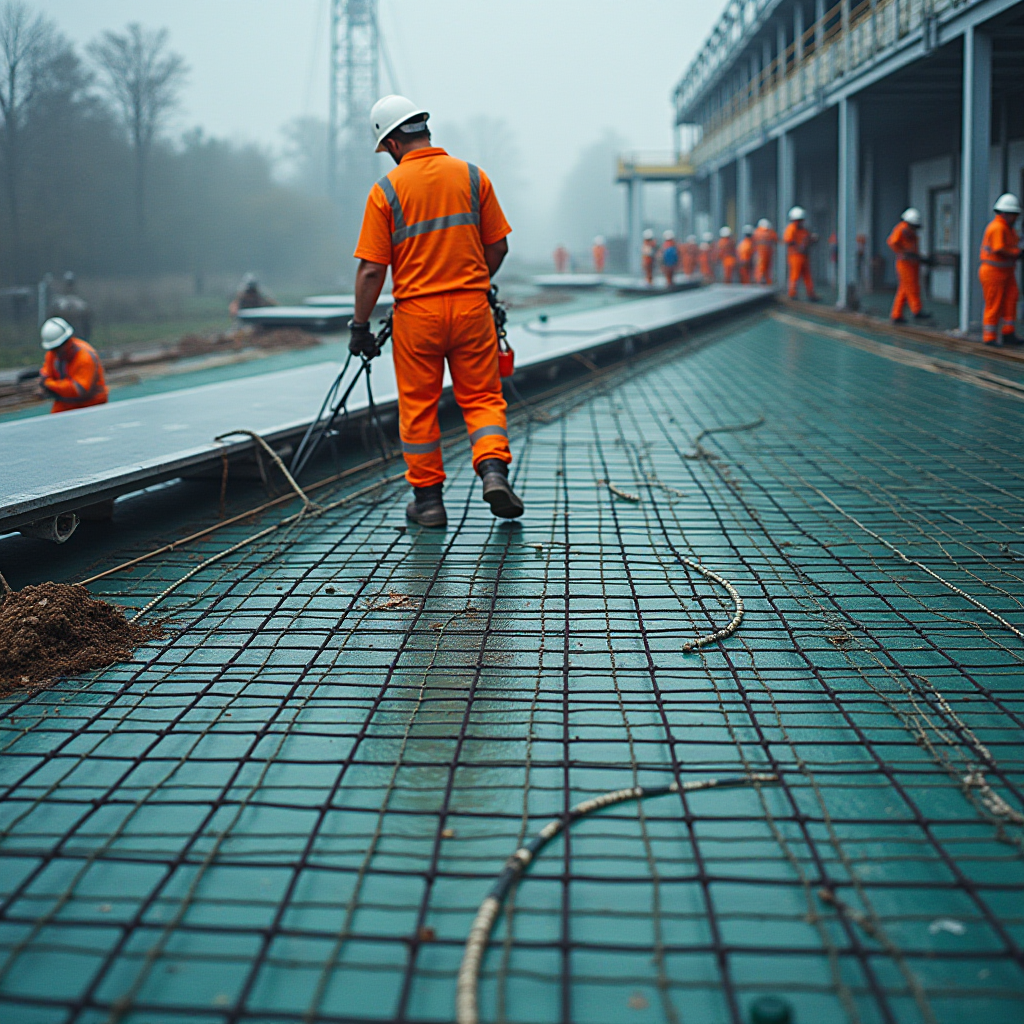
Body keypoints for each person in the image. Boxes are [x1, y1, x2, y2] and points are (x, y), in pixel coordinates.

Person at [351, 94, 523, 528]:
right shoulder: (471, 176)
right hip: (471, 311)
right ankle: (493, 472)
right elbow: (498, 245)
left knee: (419, 406)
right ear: (423, 129)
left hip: (417, 318)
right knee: (483, 398)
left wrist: (359, 325)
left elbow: (372, 270)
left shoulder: (386, 191)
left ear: (391, 143)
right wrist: (475, 279)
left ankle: (428, 504)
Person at [37, 316, 108, 414]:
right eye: (53, 349)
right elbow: (45, 376)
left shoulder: (85, 357)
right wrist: (45, 384)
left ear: (68, 341)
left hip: (91, 406)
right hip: (65, 405)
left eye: (58, 347)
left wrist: (50, 385)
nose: (56, 352)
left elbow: (79, 390)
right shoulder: (52, 354)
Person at [979, 193, 1022, 346]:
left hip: (1006, 271)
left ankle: (1008, 332)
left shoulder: (1008, 229)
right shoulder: (998, 227)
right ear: (1005, 214)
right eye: (1014, 215)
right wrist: (1018, 253)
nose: (1016, 218)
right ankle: (989, 336)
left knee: (1011, 298)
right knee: (994, 303)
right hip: (993, 272)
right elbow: (999, 249)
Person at [887, 207, 931, 324]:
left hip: (912, 262)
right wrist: (903, 252)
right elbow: (893, 242)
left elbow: (912, 247)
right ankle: (917, 310)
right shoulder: (902, 229)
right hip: (905, 263)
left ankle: (896, 314)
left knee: (904, 289)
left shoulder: (911, 232)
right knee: (911, 287)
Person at [783, 206, 818, 300]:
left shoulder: (804, 230)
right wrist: (798, 247)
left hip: (804, 256)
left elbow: (807, 239)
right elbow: (788, 240)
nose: (800, 222)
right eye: (798, 220)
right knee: (795, 274)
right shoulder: (791, 228)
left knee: (807, 275)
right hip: (795, 256)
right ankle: (792, 293)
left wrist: (812, 239)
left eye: (801, 220)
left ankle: (811, 293)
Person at [753, 218, 778, 285]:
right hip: (768, 253)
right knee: (767, 269)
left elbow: (753, 242)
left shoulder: (757, 232)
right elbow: (776, 239)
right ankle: (767, 282)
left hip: (760, 253)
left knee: (760, 268)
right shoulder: (770, 232)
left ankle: (759, 281)